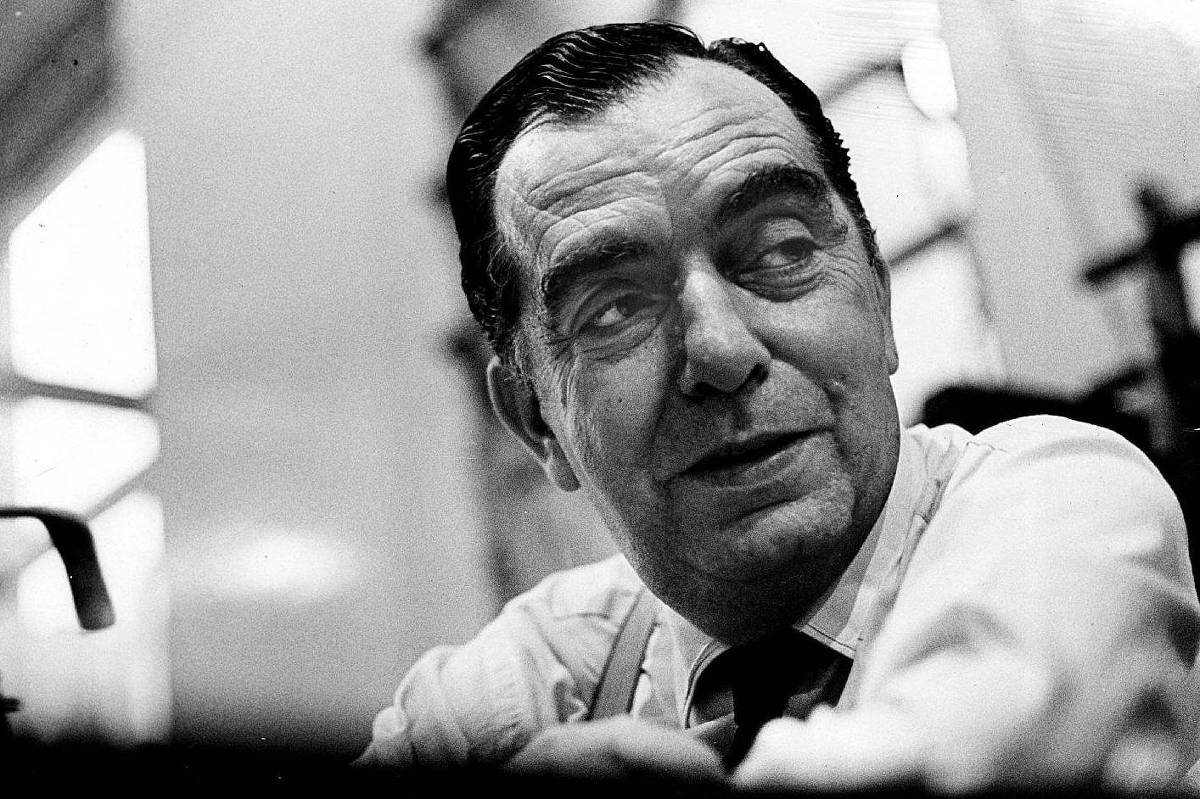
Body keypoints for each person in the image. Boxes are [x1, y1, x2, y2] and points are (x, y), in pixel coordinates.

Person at [359, 21, 1199, 792]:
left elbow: (966, 749)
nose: (722, 351)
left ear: (879, 297)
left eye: (782, 250)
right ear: (536, 420)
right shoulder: (539, 670)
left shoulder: (1058, 502)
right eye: (613, 308)